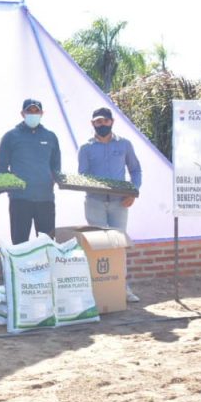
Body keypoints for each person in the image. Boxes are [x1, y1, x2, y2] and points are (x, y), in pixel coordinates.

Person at [78, 106, 143, 303]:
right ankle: (99, 289)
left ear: (112, 122)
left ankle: (122, 288)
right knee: (97, 245)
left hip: (119, 203)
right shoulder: (86, 148)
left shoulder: (125, 144)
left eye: (105, 121)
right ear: (93, 124)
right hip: (95, 202)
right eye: (98, 121)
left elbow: (135, 170)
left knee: (118, 245)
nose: (102, 124)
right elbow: (83, 175)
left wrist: (133, 192)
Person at [0, 98, 61, 244]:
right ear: (22, 113)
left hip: (45, 199)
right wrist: (14, 185)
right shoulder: (10, 136)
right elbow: (1, 168)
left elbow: (56, 167)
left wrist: (51, 181)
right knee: (20, 243)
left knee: (47, 243)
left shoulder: (50, 136)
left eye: (36, 111)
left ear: (42, 113)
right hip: (19, 199)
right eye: (29, 111)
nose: (33, 114)